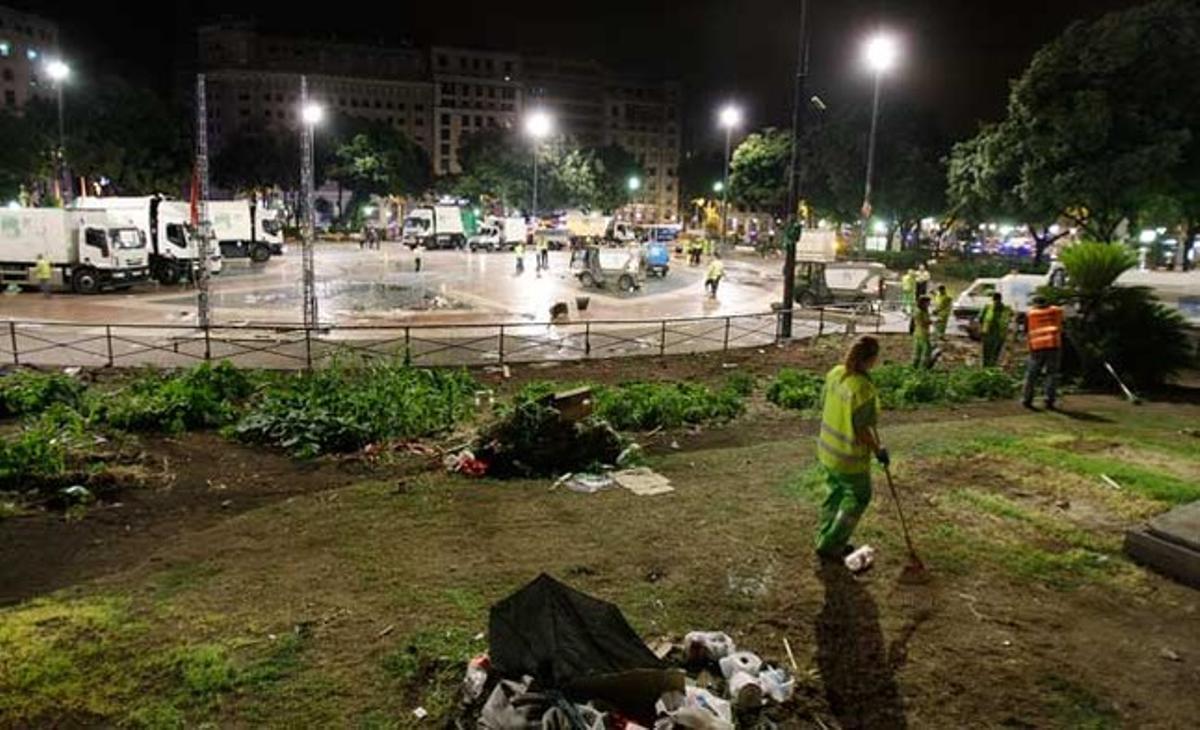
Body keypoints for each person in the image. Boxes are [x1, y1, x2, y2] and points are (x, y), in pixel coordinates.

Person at [815, 336, 889, 559]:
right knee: (858, 497)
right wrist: (878, 451)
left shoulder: (835, 374)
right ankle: (832, 544)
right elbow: (862, 430)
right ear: (872, 359)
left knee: (834, 494)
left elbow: (824, 402)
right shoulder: (862, 389)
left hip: (827, 451)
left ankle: (823, 537)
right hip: (849, 458)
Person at [1023, 296, 1064, 410]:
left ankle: (1027, 399)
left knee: (1032, 375)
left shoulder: (1030, 314)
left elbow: (1026, 330)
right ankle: (1049, 400)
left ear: (1035, 303)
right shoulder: (1056, 311)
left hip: (1037, 347)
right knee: (1052, 374)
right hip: (1054, 346)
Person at [978, 292, 1010, 367]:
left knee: (991, 352)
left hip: (995, 333)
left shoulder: (989, 307)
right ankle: (987, 366)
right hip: (991, 333)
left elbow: (981, 319)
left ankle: (989, 366)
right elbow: (981, 319)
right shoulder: (989, 307)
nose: (996, 302)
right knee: (989, 352)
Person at [911, 296, 932, 369]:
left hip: (919, 332)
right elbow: (922, 322)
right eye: (928, 302)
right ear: (923, 303)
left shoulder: (923, 310)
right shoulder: (919, 311)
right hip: (922, 333)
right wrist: (932, 321)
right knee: (926, 350)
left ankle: (915, 366)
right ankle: (924, 367)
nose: (929, 304)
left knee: (918, 350)